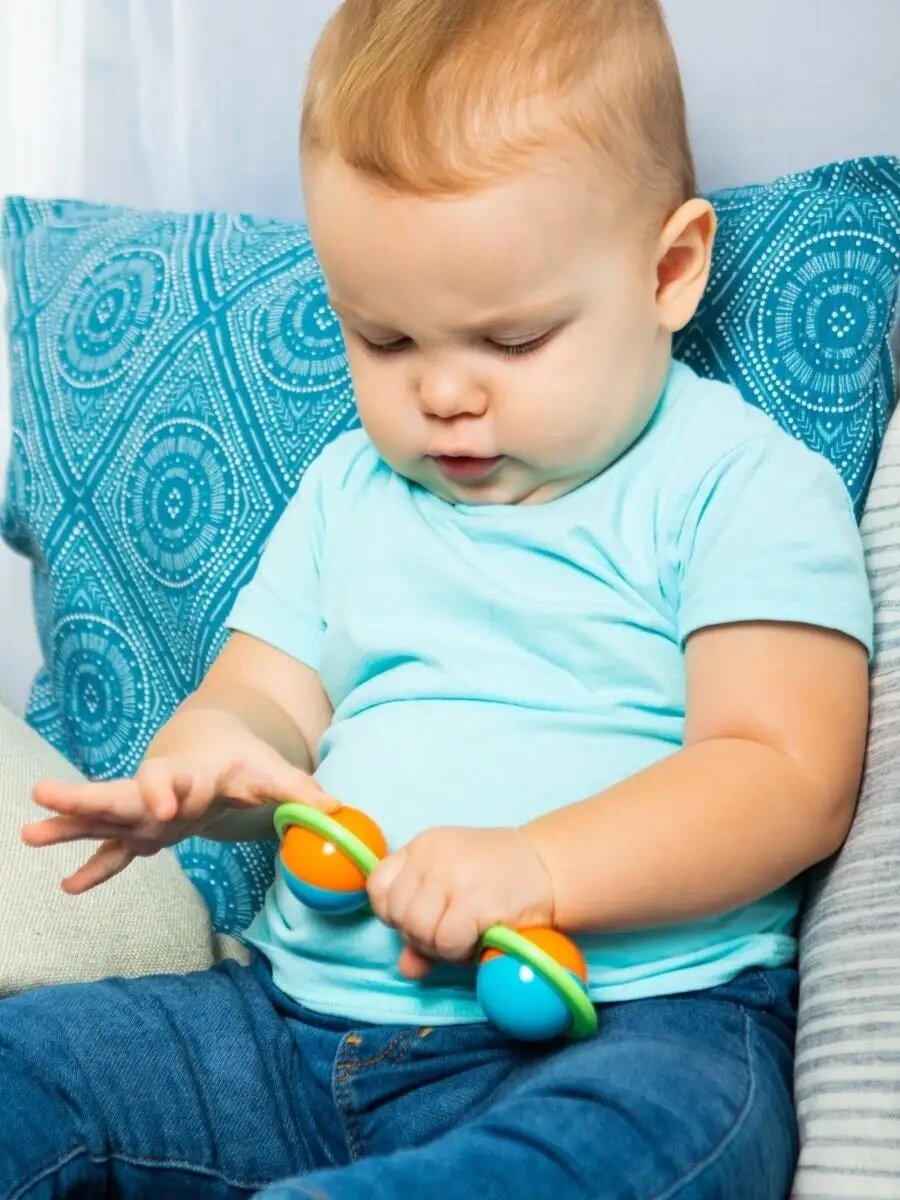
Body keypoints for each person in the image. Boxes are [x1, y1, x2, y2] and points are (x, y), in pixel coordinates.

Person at [1, 1, 872, 1197]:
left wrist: (542, 863)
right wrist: (205, 763)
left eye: (512, 342)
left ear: (668, 272)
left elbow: (786, 773)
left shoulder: (741, 484)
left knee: (650, 1141)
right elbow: (263, 699)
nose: (444, 395)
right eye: (385, 339)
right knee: (35, 1068)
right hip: (285, 1028)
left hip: (624, 1030)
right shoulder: (349, 489)